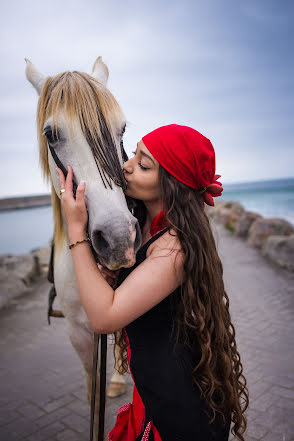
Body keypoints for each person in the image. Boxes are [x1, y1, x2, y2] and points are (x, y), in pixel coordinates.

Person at [57, 124, 249, 441]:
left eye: (143, 165)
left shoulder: (174, 247)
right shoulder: (147, 230)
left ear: (171, 184)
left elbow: (104, 318)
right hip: (151, 394)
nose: (127, 165)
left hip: (177, 412)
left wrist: (76, 230)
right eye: (133, 154)